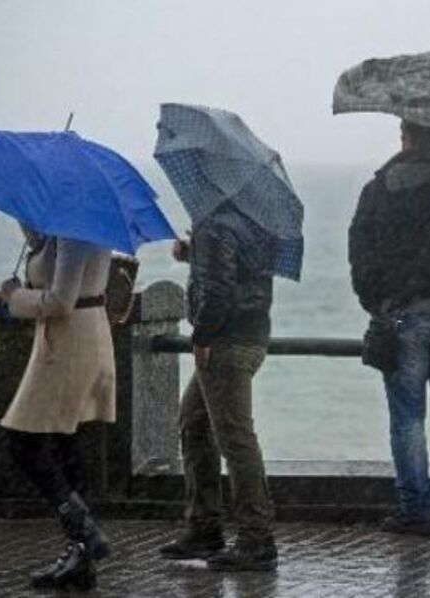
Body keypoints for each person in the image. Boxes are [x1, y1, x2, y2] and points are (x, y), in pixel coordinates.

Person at [348, 120, 430, 535]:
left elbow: (360, 252)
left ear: (405, 137)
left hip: (403, 314)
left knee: (408, 419)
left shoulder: (380, 190)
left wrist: (378, 303)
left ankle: (415, 510)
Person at [158, 205, 277, 571]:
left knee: (235, 438)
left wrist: (203, 335)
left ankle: (256, 539)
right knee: (194, 424)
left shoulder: (213, 224)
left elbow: (220, 288)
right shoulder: (256, 219)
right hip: (252, 335)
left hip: (225, 342)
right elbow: (239, 271)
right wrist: (195, 253)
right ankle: (204, 528)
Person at [0, 230, 114, 591]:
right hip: (81, 337)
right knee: (66, 446)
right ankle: (81, 556)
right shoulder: (71, 227)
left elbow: (62, 300)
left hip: (69, 343)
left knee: (24, 442)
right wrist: (35, 241)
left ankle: (83, 530)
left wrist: (14, 296)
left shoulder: (73, 233)